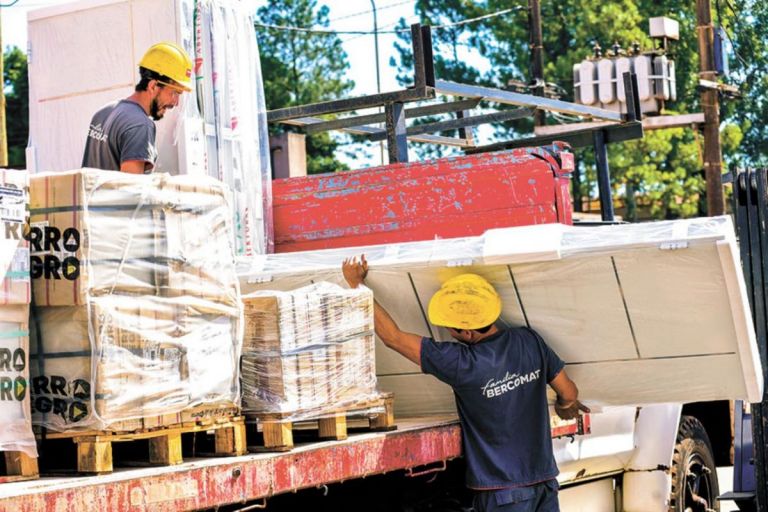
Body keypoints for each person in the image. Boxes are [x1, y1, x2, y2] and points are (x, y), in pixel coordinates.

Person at [342, 255, 589, 512]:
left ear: (467, 332)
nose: (448, 332)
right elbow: (568, 391)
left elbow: (393, 338)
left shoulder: (461, 364)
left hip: (502, 494)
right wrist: (565, 404)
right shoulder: (528, 340)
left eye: (450, 328)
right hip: (545, 483)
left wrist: (357, 286)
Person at [82, 42, 193, 173]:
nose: (176, 103)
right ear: (153, 86)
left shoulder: (102, 113)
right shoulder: (141, 125)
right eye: (174, 93)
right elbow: (133, 191)